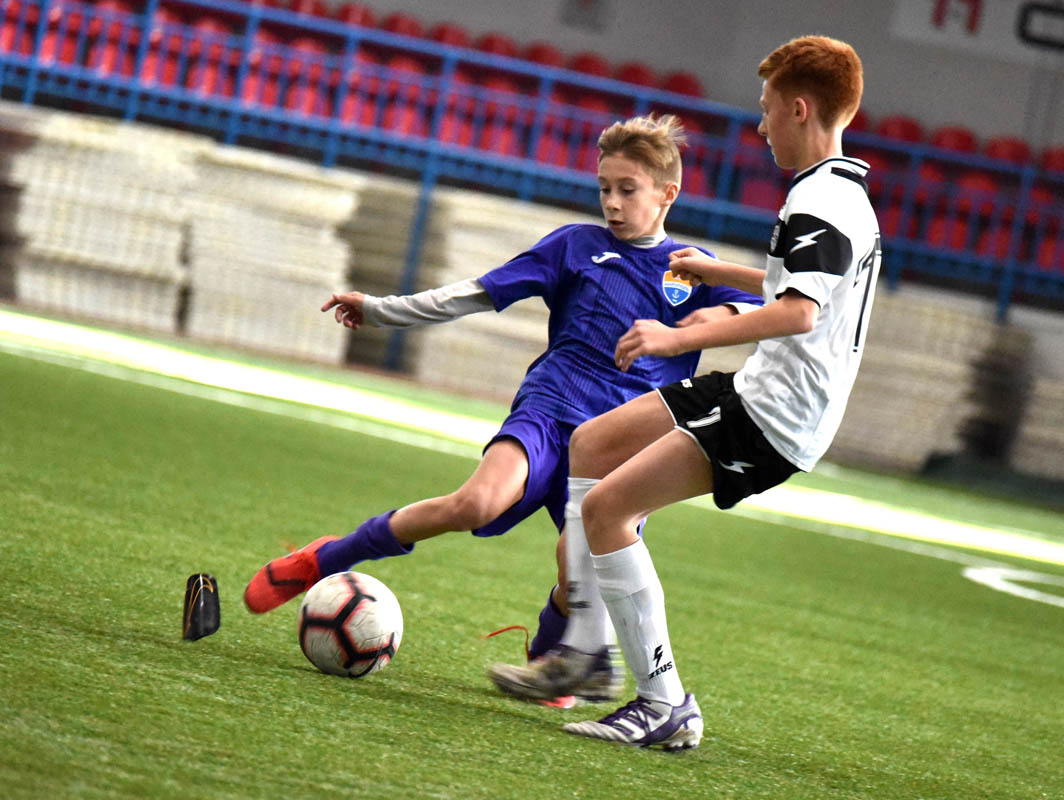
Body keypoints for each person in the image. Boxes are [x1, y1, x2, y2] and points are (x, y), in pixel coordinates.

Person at [242, 114, 763, 707]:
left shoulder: (694, 267)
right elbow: (476, 292)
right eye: (604, 188)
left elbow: (765, 309)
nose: (612, 203)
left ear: (668, 193)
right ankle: (324, 558)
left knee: (582, 569)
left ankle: (550, 657)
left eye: (628, 190)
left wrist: (713, 318)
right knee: (475, 503)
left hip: (622, 442)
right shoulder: (576, 245)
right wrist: (383, 309)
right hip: (551, 409)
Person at [486, 35, 880, 750]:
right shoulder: (842, 191)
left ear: (799, 109)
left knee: (606, 508)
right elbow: (798, 285)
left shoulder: (819, 199)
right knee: (591, 444)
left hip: (776, 417)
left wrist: (676, 339)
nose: (761, 124)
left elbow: (800, 313)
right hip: (758, 389)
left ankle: (662, 703)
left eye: (768, 108)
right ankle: (585, 648)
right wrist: (717, 273)